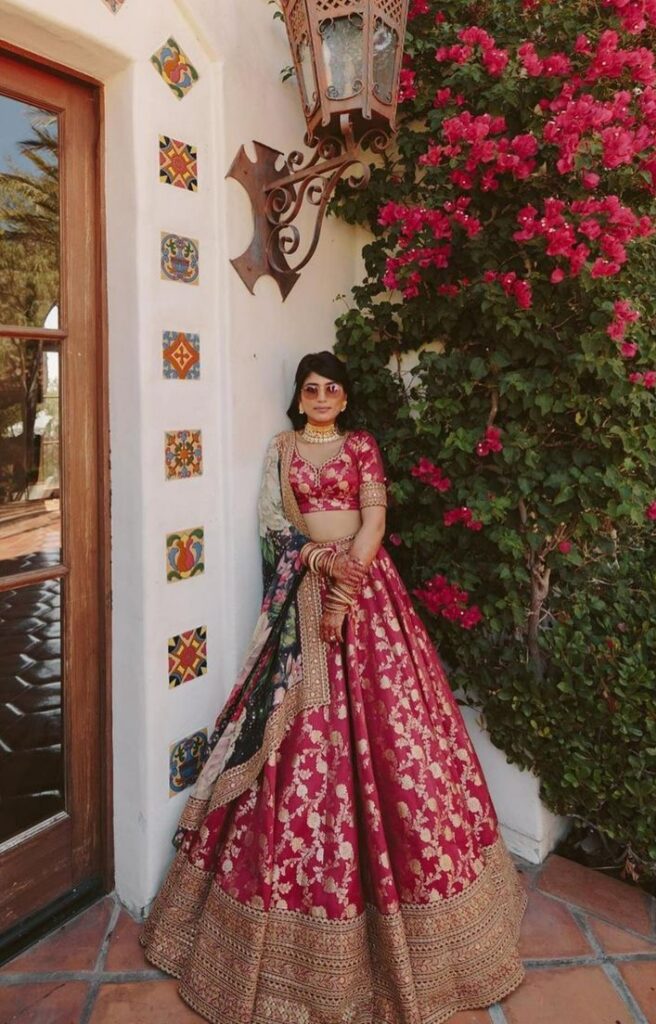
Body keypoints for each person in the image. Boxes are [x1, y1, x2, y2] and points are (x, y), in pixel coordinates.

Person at [140, 351, 528, 1024]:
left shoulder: (361, 447)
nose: (320, 397)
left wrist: (349, 580)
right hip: (303, 598)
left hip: (367, 592)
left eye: (331, 389)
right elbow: (273, 527)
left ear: (345, 399)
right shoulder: (283, 450)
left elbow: (373, 518)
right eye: (310, 388)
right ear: (299, 396)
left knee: (399, 738)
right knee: (292, 742)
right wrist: (316, 561)